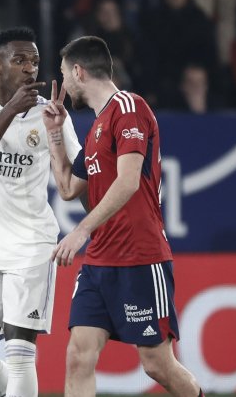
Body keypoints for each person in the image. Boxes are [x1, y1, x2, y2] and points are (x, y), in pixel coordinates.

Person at [42, 35, 204, 397]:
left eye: (64, 75)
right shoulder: (97, 128)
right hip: (100, 262)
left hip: (140, 257)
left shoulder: (129, 108)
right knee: (78, 357)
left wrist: (81, 231)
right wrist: (54, 134)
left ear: (79, 71)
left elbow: (129, 181)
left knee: (157, 364)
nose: (64, 85)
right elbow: (68, 188)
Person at [0, 27, 81, 397]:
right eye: (20, 60)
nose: (30, 69)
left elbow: (76, 177)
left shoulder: (49, 113)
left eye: (35, 61)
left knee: (20, 353)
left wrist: (57, 133)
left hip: (32, 245)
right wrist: (10, 110)